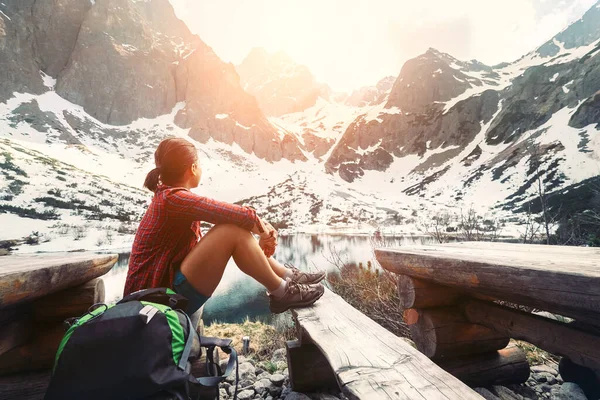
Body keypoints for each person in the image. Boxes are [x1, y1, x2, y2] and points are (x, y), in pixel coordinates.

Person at [123, 137, 325, 315]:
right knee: (231, 231)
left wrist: (262, 230)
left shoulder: (169, 197)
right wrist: (264, 232)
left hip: (159, 294)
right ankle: (282, 292)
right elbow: (235, 215)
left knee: (234, 226)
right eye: (199, 164)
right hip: (156, 302)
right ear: (192, 168)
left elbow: (235, 215)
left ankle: (288, 277)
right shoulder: (173, 199)